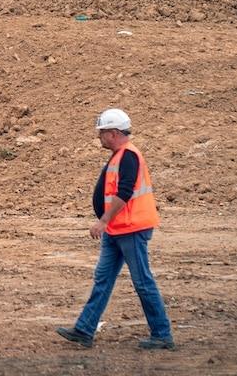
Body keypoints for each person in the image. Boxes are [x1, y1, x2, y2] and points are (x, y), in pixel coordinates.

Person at [57, 108, 175, 350]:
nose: (99, 137)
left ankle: (162, 335)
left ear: (113, 133)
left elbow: (124, 192)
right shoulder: (119, 155)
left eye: (102, 133)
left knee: (143, 281)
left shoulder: (128, 156)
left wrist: (103, 220)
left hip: (130, 229)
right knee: (103, 278)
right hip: (117, 229)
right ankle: (84, 329)